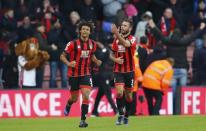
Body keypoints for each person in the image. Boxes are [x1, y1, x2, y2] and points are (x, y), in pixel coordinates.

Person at [148, 19, 205, 114]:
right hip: (182, 70)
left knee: (173, 93)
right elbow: (194, 36)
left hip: (172, 70)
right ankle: (181, 111)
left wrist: (153, 26)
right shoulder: (184, 41)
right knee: (182, 92)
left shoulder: (168, 41)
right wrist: (201, 27)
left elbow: (160, 35)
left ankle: (174, 111)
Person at [60, 20, 102, 128]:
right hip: (73, 75)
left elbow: (91, 55)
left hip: (86, 73)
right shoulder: (72, 44)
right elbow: (62, 56)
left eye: (87, 29)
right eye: (83, 29)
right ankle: (69, 104)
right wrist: (69, 63)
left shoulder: (93, 44)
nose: (85, 31)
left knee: (86, 95)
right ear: (80, 31)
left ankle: (83, 120)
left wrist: (96, 61)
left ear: (90, 32)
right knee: (74, 98)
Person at [110, 18, 137, 125]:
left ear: (130, 28)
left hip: (130, 71)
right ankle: (120, 114)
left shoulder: (133, 39)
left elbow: (126, 44)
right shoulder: (115, 40)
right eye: (122, 25)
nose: (122, 27)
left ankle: (126, 116)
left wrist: (116, 33)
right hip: (118, 70)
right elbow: (111, 54)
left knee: (129, 96)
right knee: (119, 92)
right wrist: (115, 59)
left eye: (125, 25)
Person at [91, 42, 117, 117]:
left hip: (104, 76)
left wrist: (104, 49)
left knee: (99, 96)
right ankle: (116, 111)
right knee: (108, 94)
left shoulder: (107, 52)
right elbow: (101, 58)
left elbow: (102, 58)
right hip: (103, 76)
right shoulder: (105, 53)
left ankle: (94, 112)